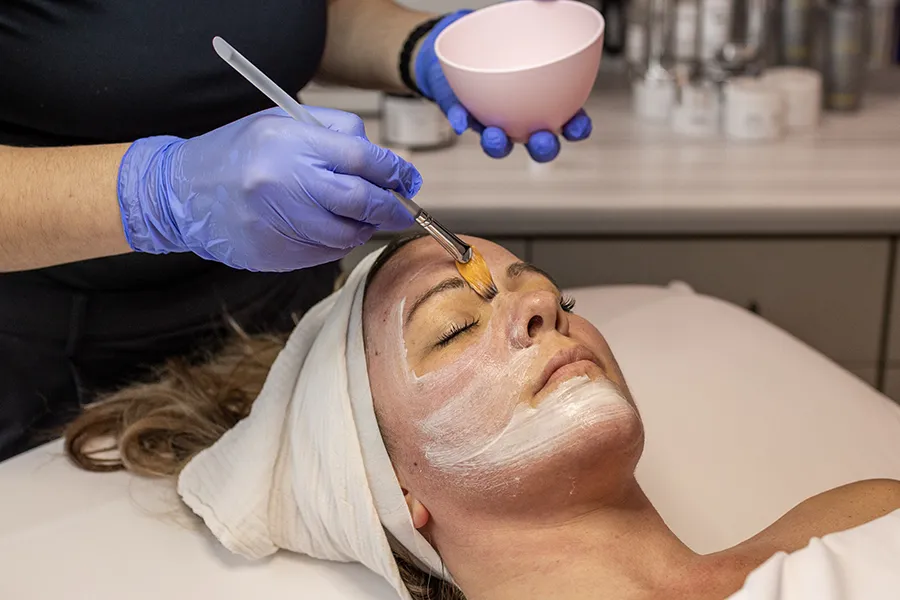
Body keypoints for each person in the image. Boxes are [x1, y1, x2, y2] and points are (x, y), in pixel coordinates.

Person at [65, 235, 900, 600]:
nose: (541, 307)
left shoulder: (864, 512)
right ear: (390, 486)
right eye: (454, 326)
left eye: (553, 295)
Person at [0, 0, 594, 460]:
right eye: (453, 328)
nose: (544, 305)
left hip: (280, 319)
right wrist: (157, 191)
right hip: (41, 346)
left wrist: (419, 50)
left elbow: (303, 14)